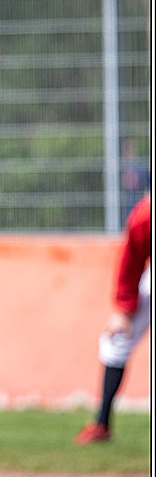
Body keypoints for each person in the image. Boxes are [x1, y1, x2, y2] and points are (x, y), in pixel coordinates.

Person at [75, 189, 151, 445]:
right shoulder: (146, 215)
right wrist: (125, 310)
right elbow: (132, 261)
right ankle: (102, 424)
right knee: (116, 340)